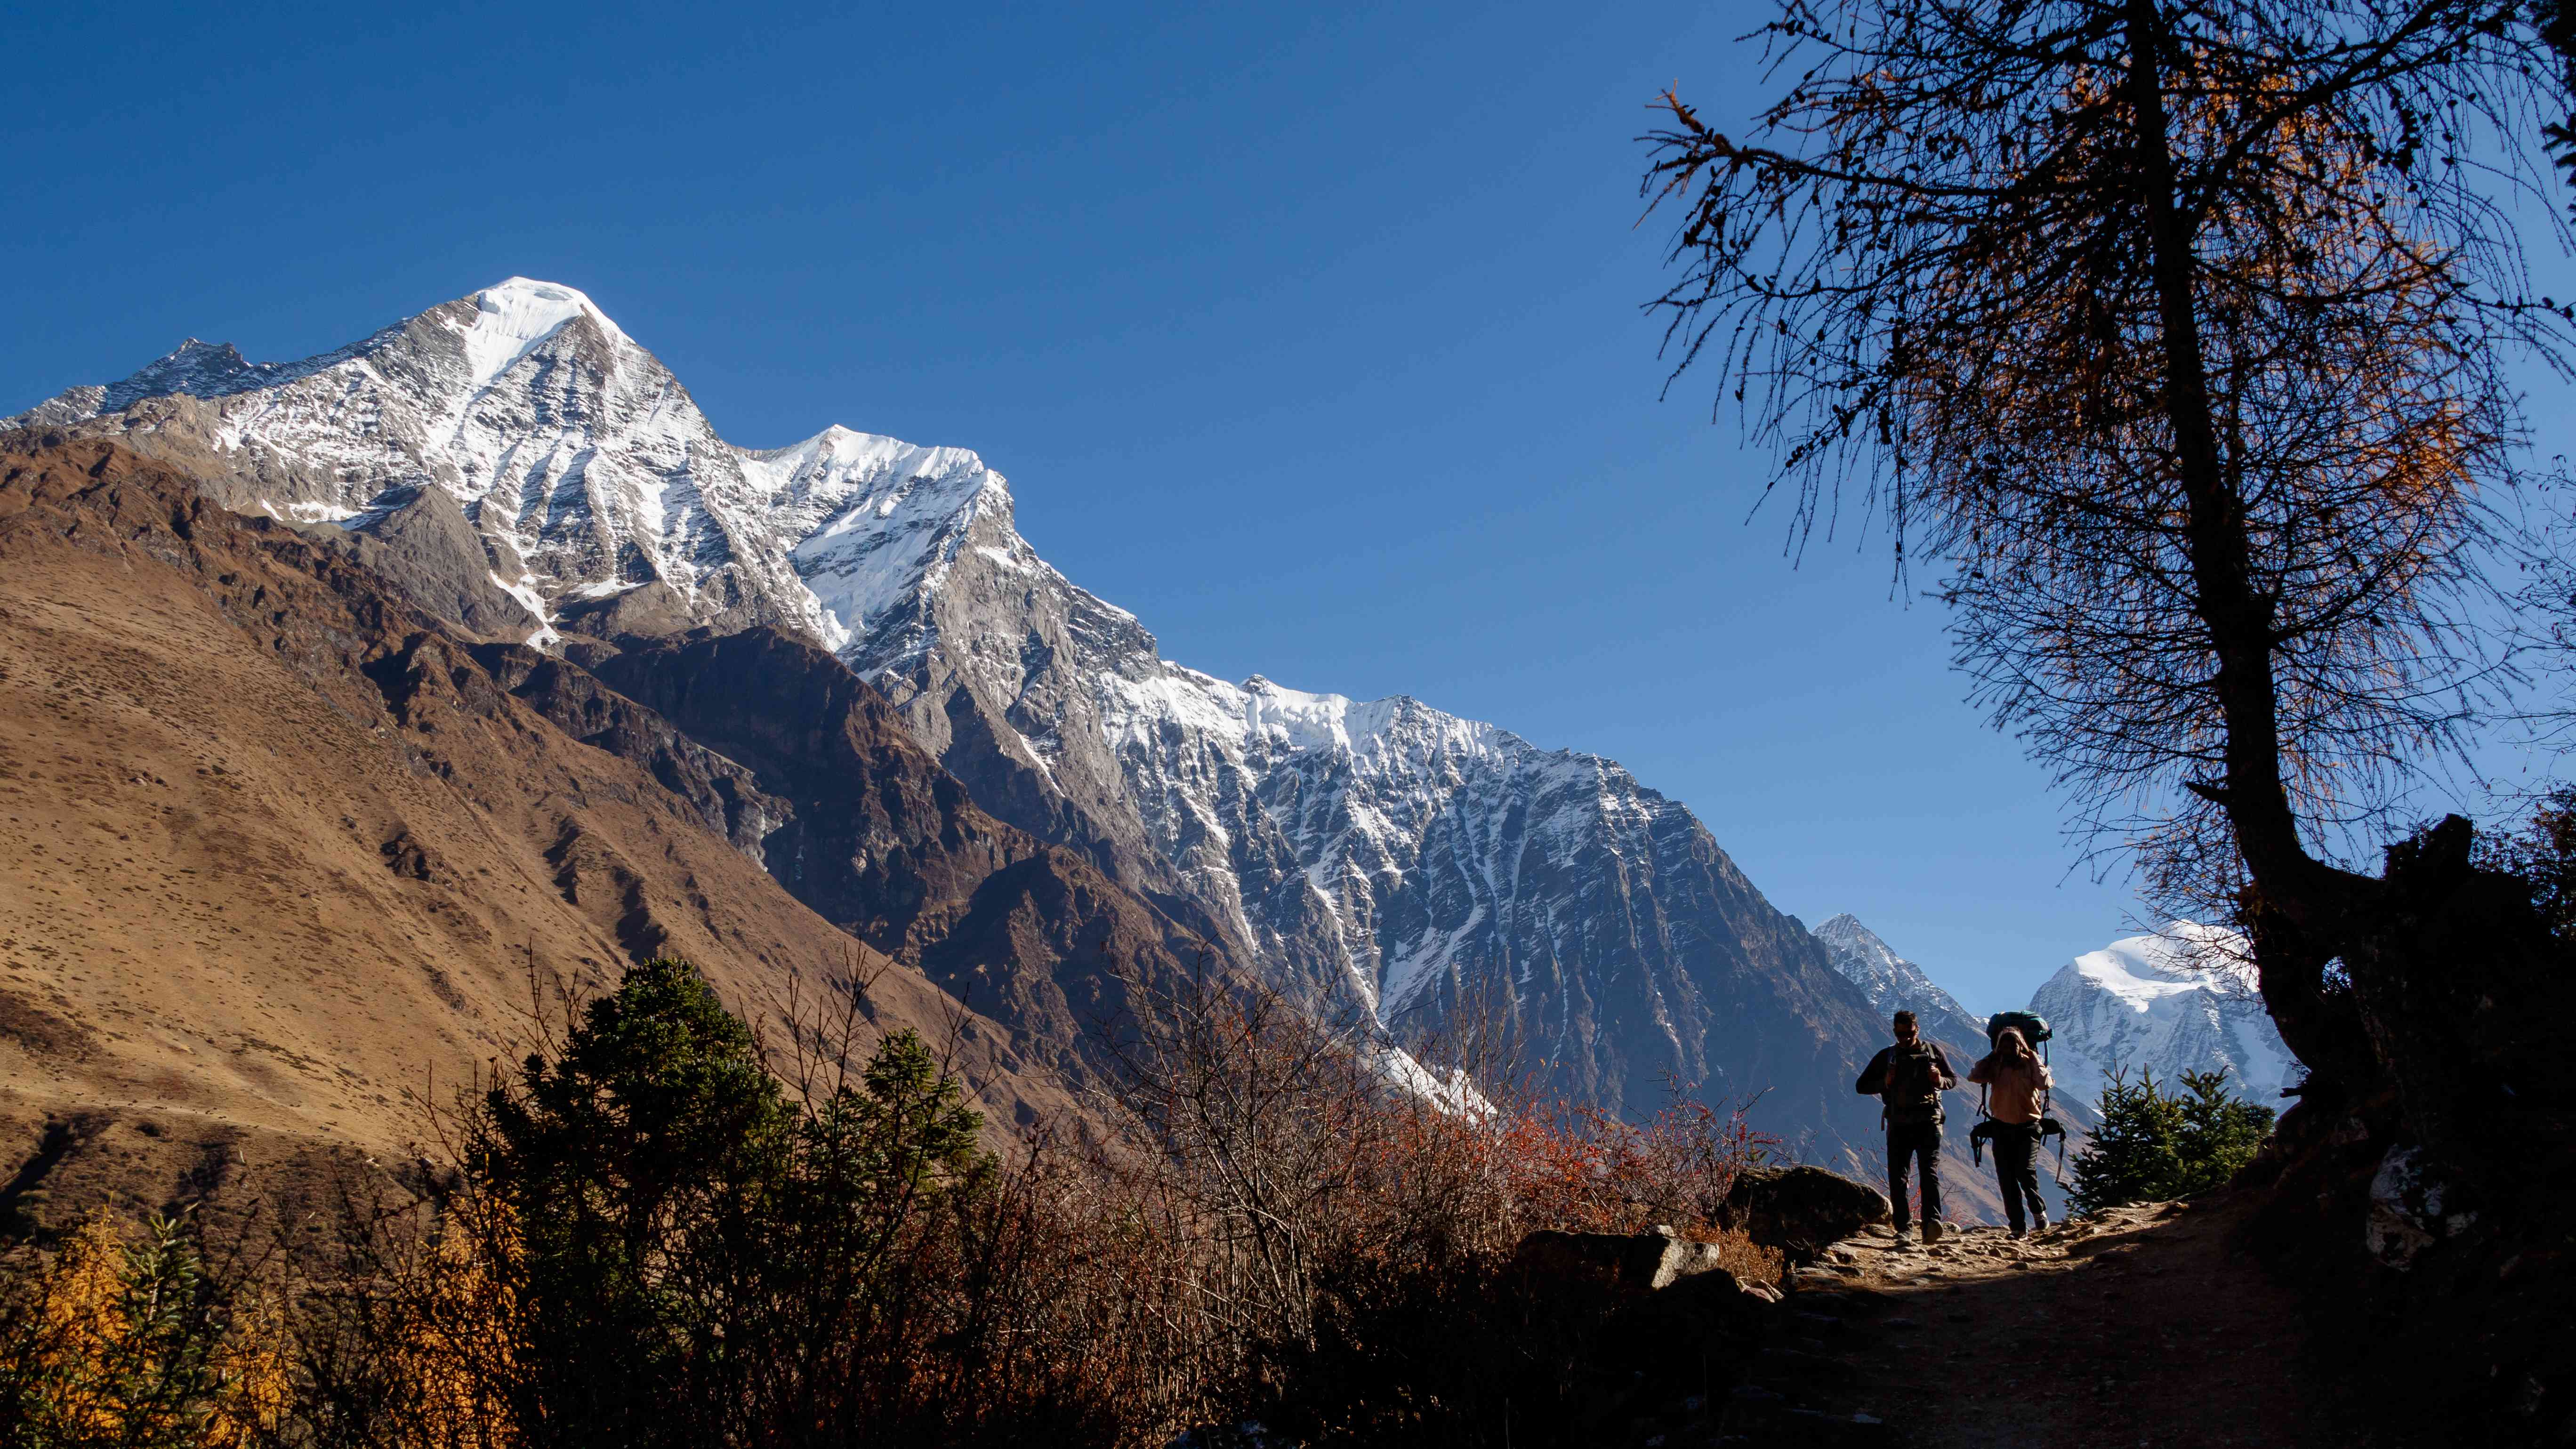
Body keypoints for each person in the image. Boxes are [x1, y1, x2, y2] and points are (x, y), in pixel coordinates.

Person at [1854, 1009, 1957, 1243]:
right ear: (1894, 1032)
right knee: (1899, 1177)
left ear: (1917, 1030)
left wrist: (1938, 1080)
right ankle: (1904, 1229)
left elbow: (1953, 1080)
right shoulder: (1886, 1057)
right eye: (1900, 1035)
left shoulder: (1933, 1053)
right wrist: (1885, 1082)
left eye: (1909, 1034)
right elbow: (1861, 1086)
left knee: (1928, 1174)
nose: (1905, 1039)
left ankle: (1932, 1223)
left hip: (1928, 1122)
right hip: (1899, 1123)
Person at [1968, 1026, 2053, 1238]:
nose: (2008, 1049)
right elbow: (1975, 1076)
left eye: (2013, 1044)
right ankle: (2017, 1227)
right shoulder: (1995, 1067)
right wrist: (1991, 1056)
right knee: (2006, 1178)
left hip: (2029, 1128)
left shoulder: (2030, 1065)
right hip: (2001, 1128)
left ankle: (2038, 1210)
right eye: (2003, 1045)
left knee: (2025, 1172)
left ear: (2021, 1045)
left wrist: (2034, 1058)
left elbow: (2044, 1084)